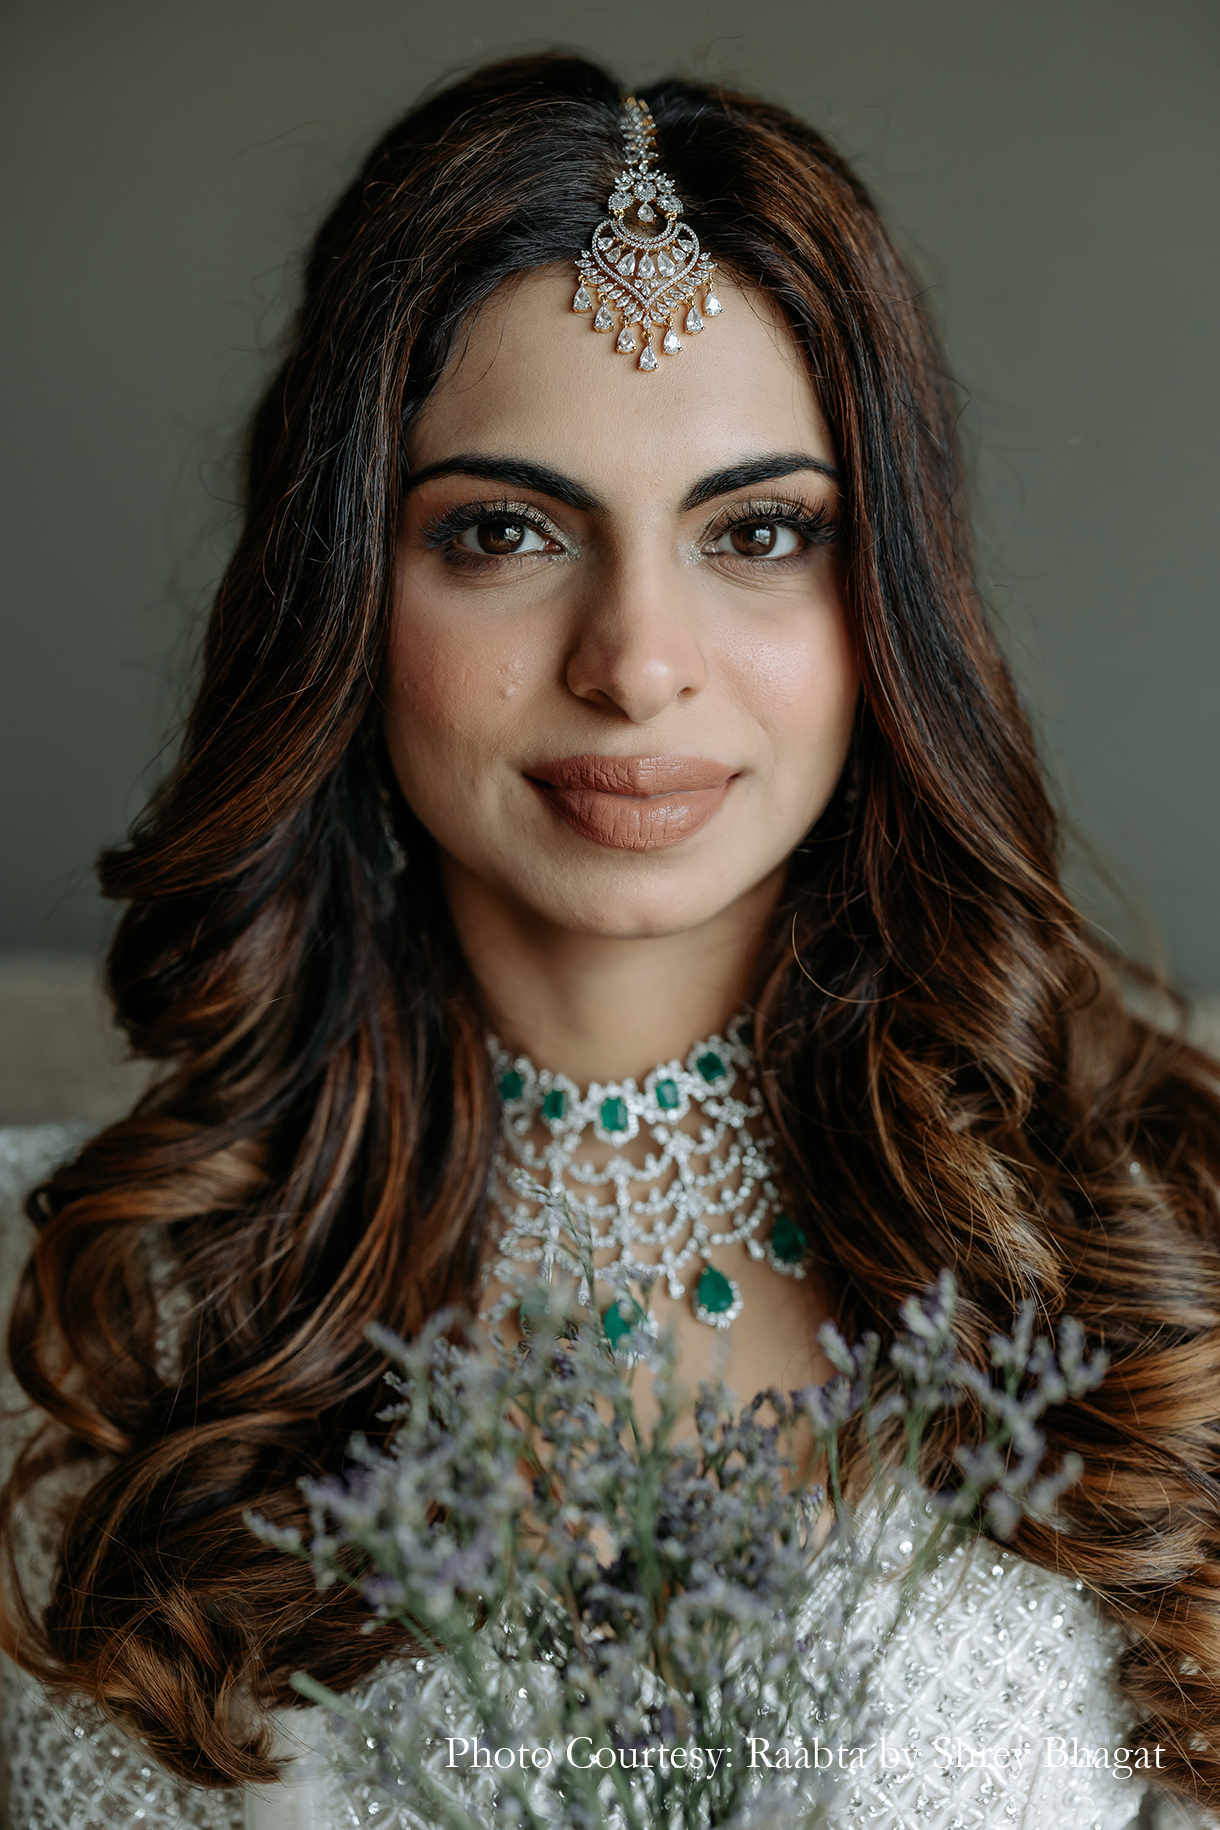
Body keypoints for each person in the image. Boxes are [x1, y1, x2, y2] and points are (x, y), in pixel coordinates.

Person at [2, 52, 1218, 1830]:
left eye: (759, 531)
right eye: (504, 530)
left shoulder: (1159, 1264)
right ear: (350, 593)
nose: (637, 659)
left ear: (889, 600)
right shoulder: (79, 1318)